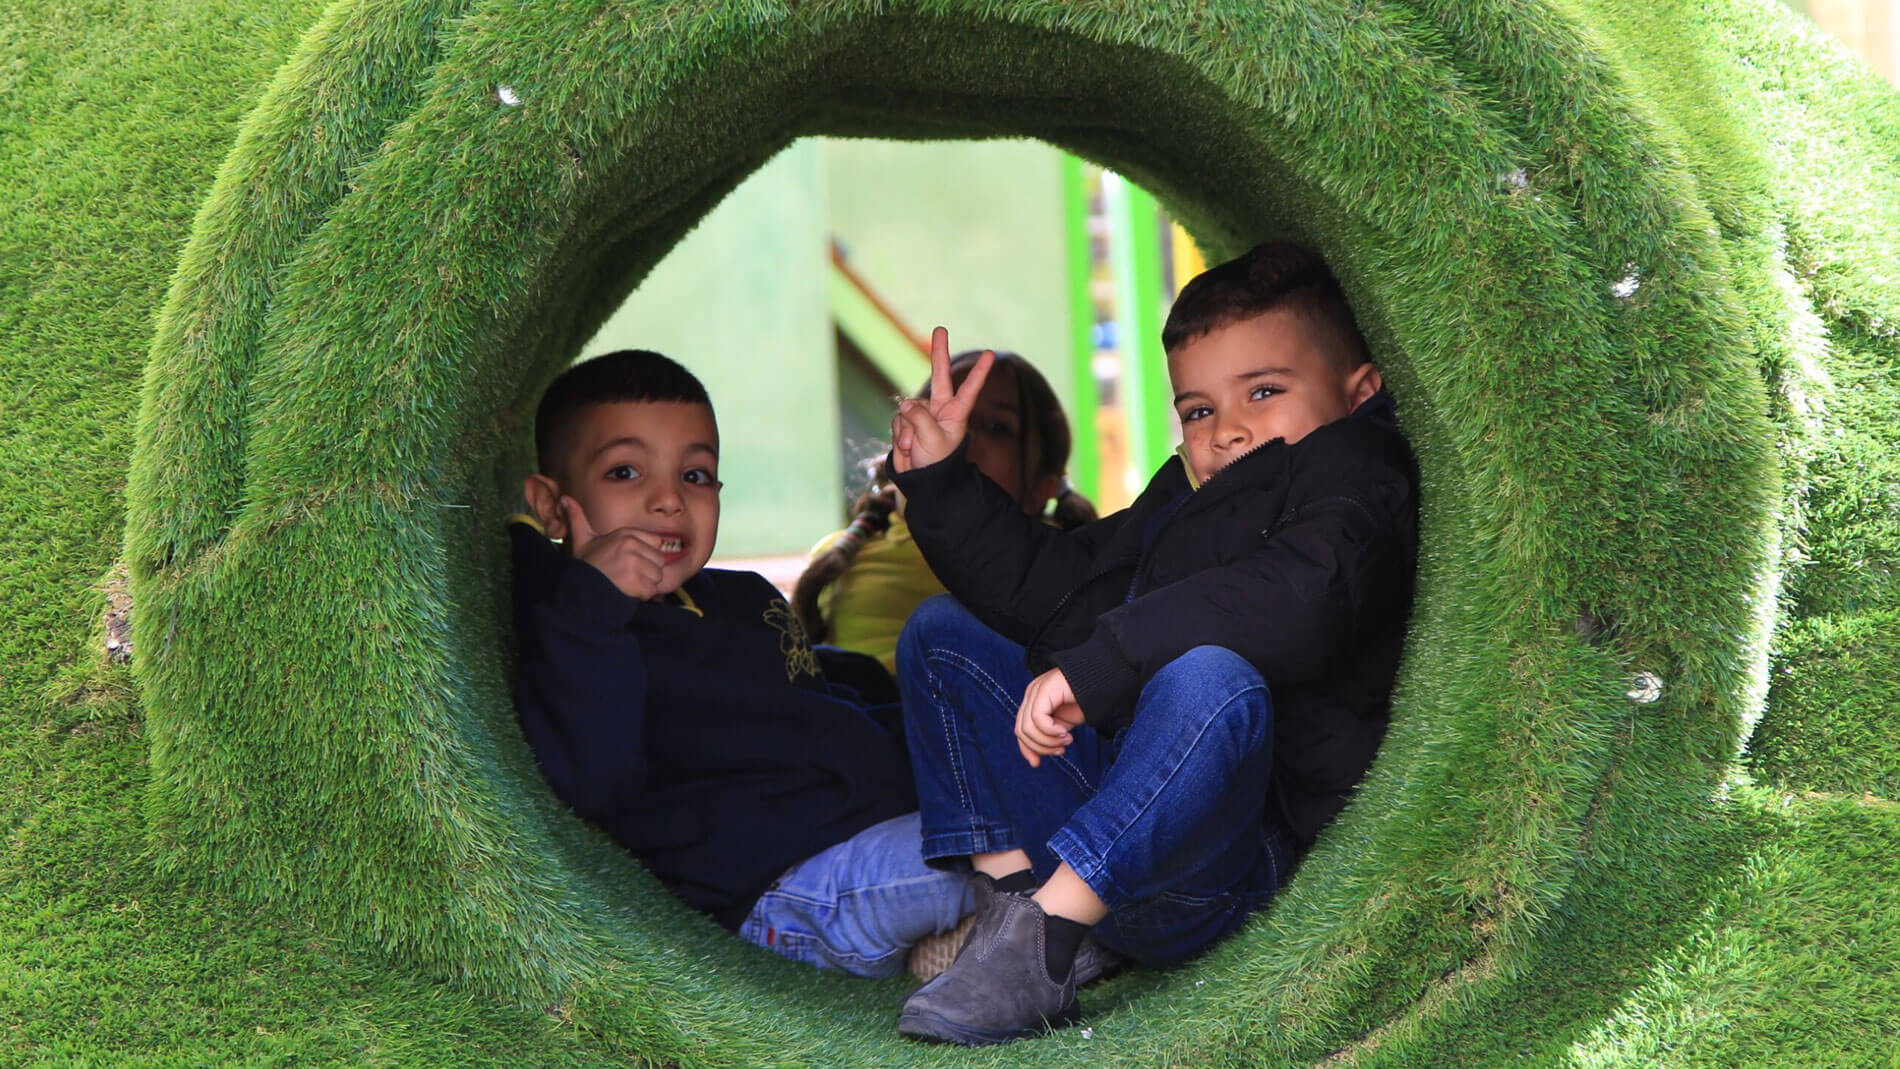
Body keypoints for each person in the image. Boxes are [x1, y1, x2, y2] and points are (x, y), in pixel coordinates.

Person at [885, 242, 1420, 1045]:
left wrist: (1102, 664)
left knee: (1213, 677)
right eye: (1199, 410)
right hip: (1110, 851)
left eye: (1264, 391)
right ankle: (1018, 918)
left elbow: (1299, 596)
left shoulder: (1355, 473)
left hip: (1224, 870)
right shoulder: (1185, 494)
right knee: (944, 633)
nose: (1227, 431)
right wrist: (940, 480)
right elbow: (1063, 586)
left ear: (1360, 391)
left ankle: (1051, 937)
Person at [509, 349, 972, 978]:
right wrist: (593, 606)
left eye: (695, 476)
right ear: (552, 504)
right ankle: (981, 937)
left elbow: (822, 699)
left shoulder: (739, 599)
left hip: (870, 834)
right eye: (624, 473)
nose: (669, 501)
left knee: (1028, 822)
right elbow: (592, 781)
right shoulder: (575, 629)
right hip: (784, 891)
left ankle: (959, 943)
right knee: (1000, 859)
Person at [792, 350, 1096, 680]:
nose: (959, 433)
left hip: (983, 727)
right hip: (856, 720)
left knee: (940, 623)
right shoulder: (844, 553)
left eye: (997, 427)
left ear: (1042, 487)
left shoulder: (1055, 565)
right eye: (937, 417)